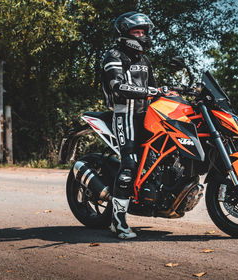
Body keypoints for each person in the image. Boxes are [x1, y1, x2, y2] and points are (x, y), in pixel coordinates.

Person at [101, 12, 159, 239]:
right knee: (129, 166)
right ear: (125, 33)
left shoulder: (144, 60)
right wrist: (149, 91)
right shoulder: (114, 55)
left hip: (145, 117)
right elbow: (116, 85)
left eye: (144, 31)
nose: (142, 35)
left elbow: (155, 89)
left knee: (156, 160)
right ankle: (118, 222)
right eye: (137, 31)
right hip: (124, 114)